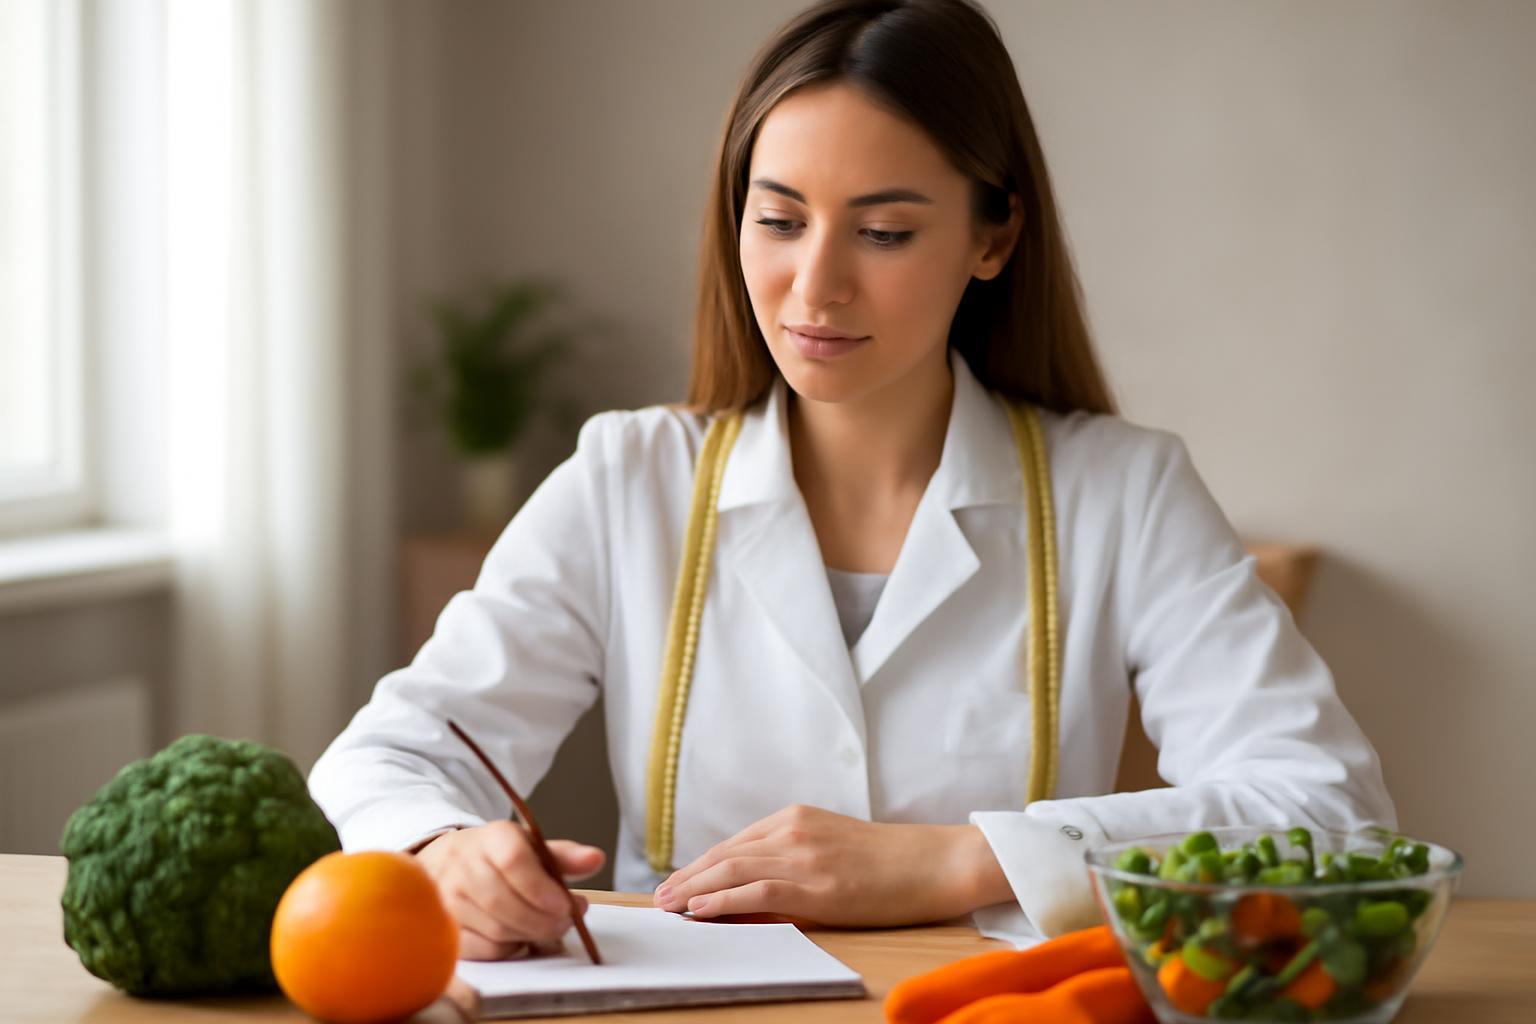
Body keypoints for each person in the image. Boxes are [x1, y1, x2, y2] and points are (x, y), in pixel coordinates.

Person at [307, 0, 1395, 959]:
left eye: (881, 230)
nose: (813, 285)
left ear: (993, 235)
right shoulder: (626, 477)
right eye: (778, 220)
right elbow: (389, 755)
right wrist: (446, 851)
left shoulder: (1124, 490)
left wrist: (955, 863)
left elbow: (1333, 814)